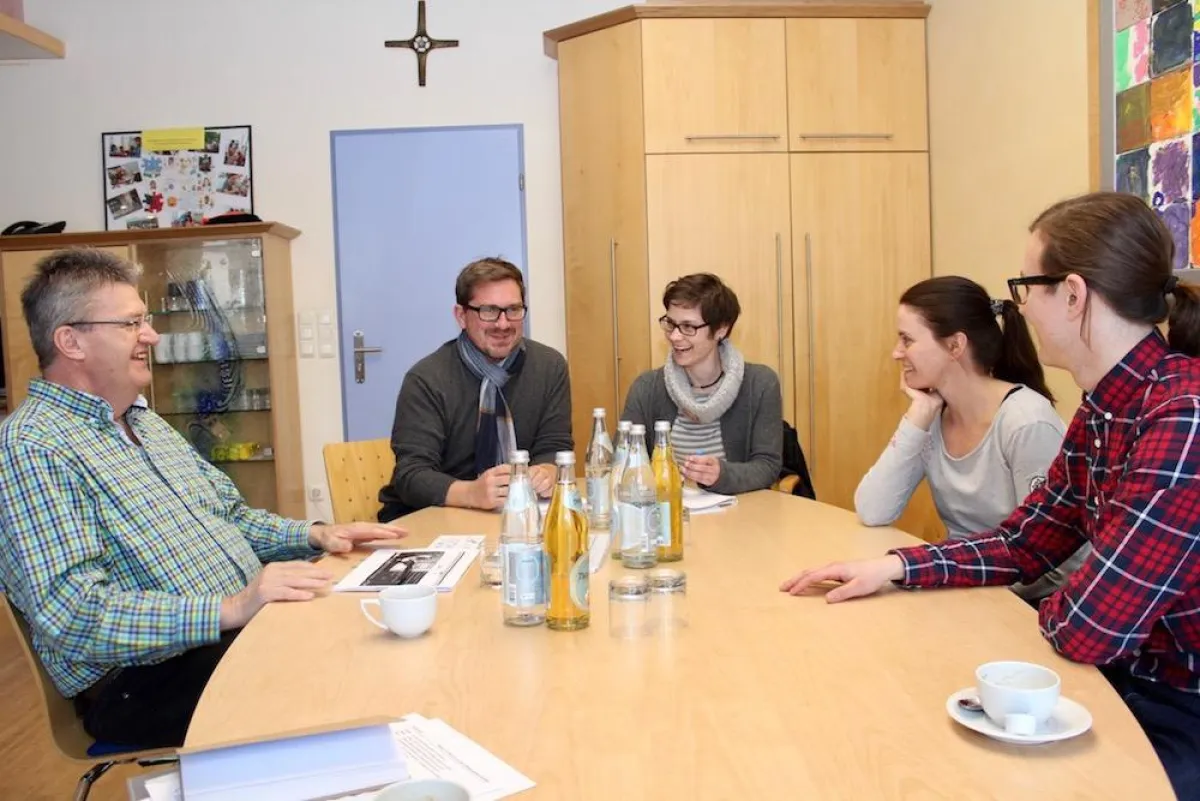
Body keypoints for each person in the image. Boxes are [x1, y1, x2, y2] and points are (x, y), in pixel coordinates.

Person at [779, 192, 1200, 800]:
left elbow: (1089, 627)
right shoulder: (1108, 406)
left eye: (1028, 286)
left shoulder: (1180, 416)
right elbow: (1023, 541)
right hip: (1120, 679)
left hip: (1176, 703)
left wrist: (1036, 608)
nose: (1021, 306)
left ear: (1074, 294)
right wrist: (896, 566)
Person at [0, 248, 404, 749]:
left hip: (230, 635)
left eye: (145, 321)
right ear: (71, 341)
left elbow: (230, 517)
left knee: (375, 632)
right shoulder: (33, 447)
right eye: (130, 324)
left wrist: (318, 534)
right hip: (142, 682)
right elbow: (74, 613)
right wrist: (233, 607)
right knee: (354, 673)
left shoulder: (143, 422)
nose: (150, 336)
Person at [854, 275, 1083, 602]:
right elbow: (873, 509)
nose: (896, 353)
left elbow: (1057, 565)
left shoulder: (1025, 422)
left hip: (1024, 607)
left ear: (955, 346)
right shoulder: (933, 414)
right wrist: (917, 418)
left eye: (907, 339)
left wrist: (967, 596)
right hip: (962, 584)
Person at [377, 257, 572, 521]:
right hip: (433, 519)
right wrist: (471, 493)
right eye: (489, 311)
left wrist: (547, 471)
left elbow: (554, 445)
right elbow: (411, 475)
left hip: (520, 516)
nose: (503, 324)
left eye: (513, 309)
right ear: (461, 316)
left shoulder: (549, 367)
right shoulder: (427, 379)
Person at [621, 273, 782, 494]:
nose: (675, 337)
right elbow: (621, 461)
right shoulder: (647, 387)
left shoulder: (760, 384)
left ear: (721, 329)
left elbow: (767, 467)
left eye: (688, 327)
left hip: (740, 516)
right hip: (667, 514)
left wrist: (721, 475)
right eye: (671, 324)